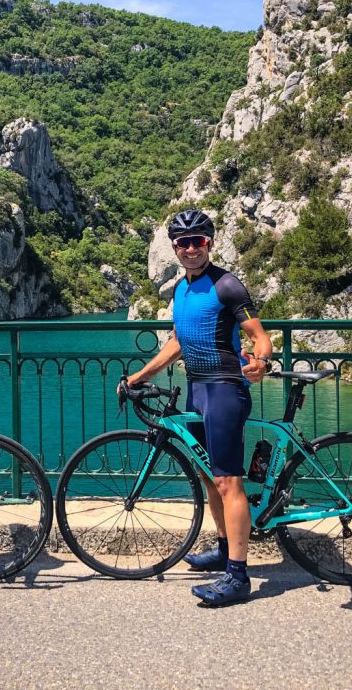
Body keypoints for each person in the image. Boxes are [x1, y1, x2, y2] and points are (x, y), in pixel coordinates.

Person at [125, 208, 272, 607]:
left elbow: (260, 336)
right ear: (174, 248)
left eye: (198, 241)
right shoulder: (180, 290)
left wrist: (260, 363)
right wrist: (142, 375)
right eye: (183, 243)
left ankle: (238, 577)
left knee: (229, 481)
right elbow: (178, 342)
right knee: (209, 478)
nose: (191, 249)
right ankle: (224, 550)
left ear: (210, 243)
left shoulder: (227, 285)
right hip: (197, 389)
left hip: (225, 389)